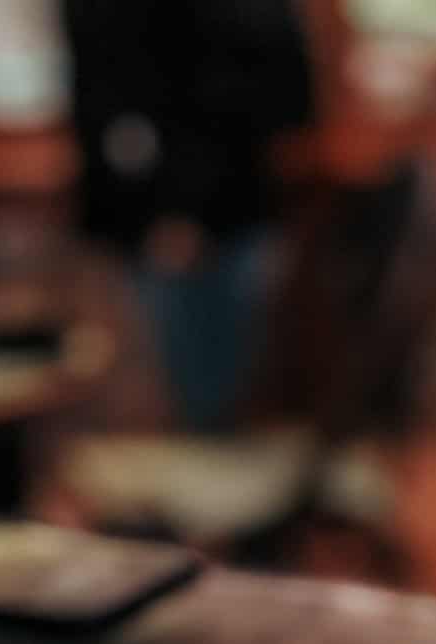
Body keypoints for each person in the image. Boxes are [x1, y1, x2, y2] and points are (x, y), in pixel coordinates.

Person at [62, 0, 314, 433]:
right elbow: (104, 92)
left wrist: (181, 209)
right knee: (177, 399)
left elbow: (285, 96)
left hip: (217, 214)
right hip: (163, 217)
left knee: (209, 404)